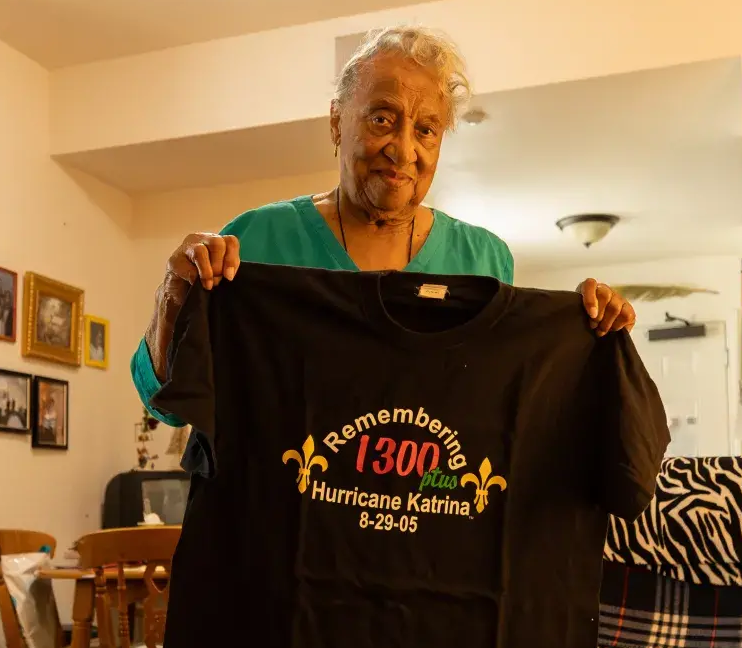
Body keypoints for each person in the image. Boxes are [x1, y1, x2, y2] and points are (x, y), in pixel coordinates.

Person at [131, 24, 636, 426]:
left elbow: (507, 413)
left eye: (426, 129)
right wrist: (173, 296)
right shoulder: (256, 240)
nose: (403, 149)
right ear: (336, 122)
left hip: (428, 540)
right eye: (381, 118)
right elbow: (171, 406)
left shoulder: (484, 260)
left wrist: (590, 328)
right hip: (282, 540)